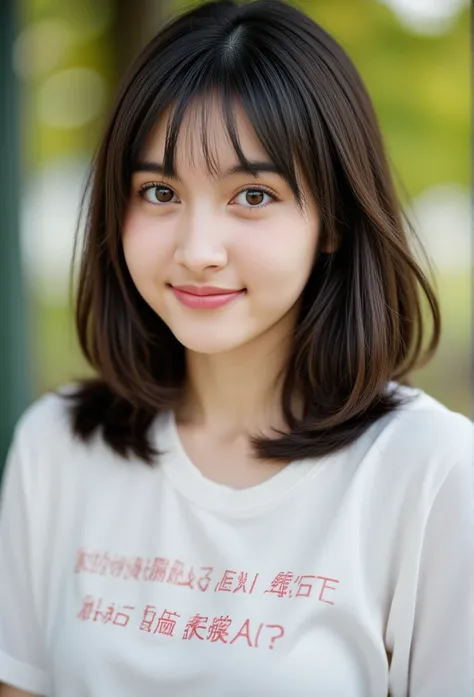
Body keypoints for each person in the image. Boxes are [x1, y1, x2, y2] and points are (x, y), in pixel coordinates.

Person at [0, 0, 472, 695]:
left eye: (252, 194)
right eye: (158, 190)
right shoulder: (60, 445)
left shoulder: (429, 471)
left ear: (332, 221)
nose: (197, 251)